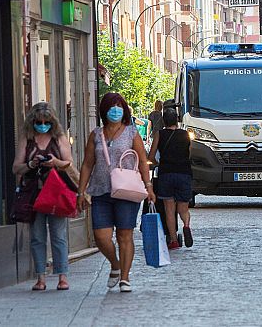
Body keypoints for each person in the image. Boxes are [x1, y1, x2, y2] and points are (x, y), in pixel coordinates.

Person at [77, 93, 155, 293]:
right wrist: (81, 191)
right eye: (112, 107)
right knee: (101, 236)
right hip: (101, 190)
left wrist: (149, 186)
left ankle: (125, 278)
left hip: (127, 191)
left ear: (125, 110)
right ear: (104, 110)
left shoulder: (131, 133)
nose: (116, 110)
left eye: (119, 106)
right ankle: (115, 264)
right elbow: (87, 164)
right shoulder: (95, 135)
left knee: (124, 234)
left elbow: (142, 160)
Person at [11, 102, 77, 291]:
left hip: (56, 193)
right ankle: (40, 277)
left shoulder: (59, 138)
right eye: (38, 122)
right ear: (32, 122)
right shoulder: (27, 138)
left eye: (46, 122)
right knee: (37, 236)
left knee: (58, 235)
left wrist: (55, 162)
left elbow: (69, 164)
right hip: (34, 194)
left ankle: (62, 276)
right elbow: (16, 167)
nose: (42, 125)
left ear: (52, 122)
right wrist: (31, 164)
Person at [147, 108, 193, 250]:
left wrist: (158, 164)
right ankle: (186, 225)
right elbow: (190, 154)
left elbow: (151, 157)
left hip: (166, 174)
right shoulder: (186, 134)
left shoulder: (159, 134)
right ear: (177, 119)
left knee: (169, 209)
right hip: (184, 173)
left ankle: (173, 240)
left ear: (163, 120)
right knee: (183, 208)